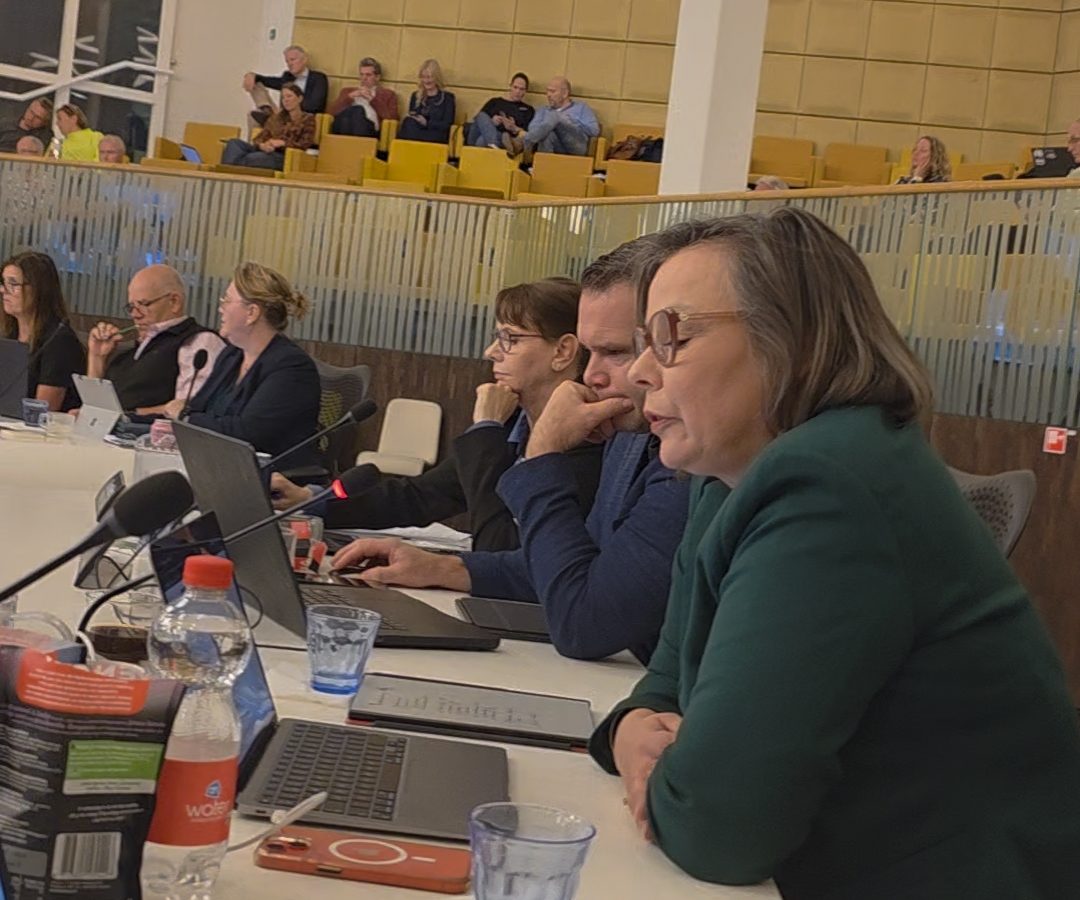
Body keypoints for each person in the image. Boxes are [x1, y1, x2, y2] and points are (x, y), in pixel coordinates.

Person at [588, 208, 1080, 899]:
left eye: (673, 336)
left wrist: (674, 778)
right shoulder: (726, 480)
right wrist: (631, 731)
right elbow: (666, 681)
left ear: (789, 339)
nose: (641, 371)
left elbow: (719, 828)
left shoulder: (827, 485)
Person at [332, 237, 691, 663]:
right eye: (592, 352)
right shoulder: (629, 437)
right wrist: (440, 567)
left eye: (614, 352)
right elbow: (572, 566)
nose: (592, 375)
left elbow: (585, 621)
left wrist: (539, 453)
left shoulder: (645, 450)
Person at [272, 277, 604, 552]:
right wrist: (311, 501)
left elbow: (498, 546)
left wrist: (486, 429)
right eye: (496, 337)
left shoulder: (588, 443)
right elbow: (419, 497)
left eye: (510, 339)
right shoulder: (513, 426)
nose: (491, 352)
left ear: (562, 351)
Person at [165, 262, 320, 467]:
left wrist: (186, 418)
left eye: (227, 300)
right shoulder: (232, 355)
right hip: (218, 464)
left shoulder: (292, 368)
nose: (220, 309)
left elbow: (249, 433)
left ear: (252, 313)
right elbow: (198, 408)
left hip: (270, 477)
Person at [86, 264, 225, 416]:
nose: (135, 315)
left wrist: (127, 415)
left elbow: (187, 409)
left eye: (144, 304)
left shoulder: (198, 342)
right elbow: (95, 407)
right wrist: (97, 357)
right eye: (131, 307)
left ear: (174, 302)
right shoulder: (133, 352)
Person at [0, 251, 85, 411]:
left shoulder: (59, 340)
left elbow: (42, 410)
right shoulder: (9, 335)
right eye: (3, 283)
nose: (3, 290)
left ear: (38, 289)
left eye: (13, 284)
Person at [221, 83, 315, 171]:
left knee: (252, 158)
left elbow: (304, 144)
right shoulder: (276, 118)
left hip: (283, 156)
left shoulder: (308, 119)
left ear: (300, 98)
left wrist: (283, 143)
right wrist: (262, 145)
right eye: (283, 97)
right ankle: (232, 169)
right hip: (265, 151)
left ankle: (230, 170)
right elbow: (259, 138)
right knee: (234, 143)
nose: (286, 100)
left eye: (289, 96)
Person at [504, 76, 598, 161]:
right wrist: (549, 127)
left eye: (552, 91)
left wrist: (568, 122)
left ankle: (522, 143)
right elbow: (533, 129)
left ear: (565, 94)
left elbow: (594, 130)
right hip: (556, 145)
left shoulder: (581, 107)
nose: (548, 95)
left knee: (555, 116)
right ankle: (543, 169)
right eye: (547, 91)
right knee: (548, 135)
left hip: (576, 145)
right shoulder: (543, 110)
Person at [243, 44, 328, 126]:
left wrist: (293, 105)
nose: (289, 64)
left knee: (254, 116)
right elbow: (269, 81)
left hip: (302, 117)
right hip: (283, 114)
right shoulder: (287, 77)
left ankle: (271, 119)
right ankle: (266, 110)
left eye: (293, 60)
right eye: (287, 61)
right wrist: (253, 75)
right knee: (256, 85)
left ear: (304, 60)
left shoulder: (318, 78)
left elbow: (316, 105)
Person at [328, 57, 399, 139]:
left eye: (368, 75)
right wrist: (350, 97)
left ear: (377, 77)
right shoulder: (347, 91)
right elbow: (330, 112)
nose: (364, 78)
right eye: (361, 74)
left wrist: (373, 100)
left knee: (358, 110)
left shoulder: (388, 94)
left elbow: (392, 119)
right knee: (352, 113)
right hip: (343, 125)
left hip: (368, 129)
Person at [466, 73, 534, 148]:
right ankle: (493, 144)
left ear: (525, 91)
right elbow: (479, 122)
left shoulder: (528, 110)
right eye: (515, 87)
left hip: (506, 138)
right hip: (484, 134)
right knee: (481, 115)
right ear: (510, 87)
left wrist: (514, 128)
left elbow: (529, 135)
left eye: (521, 89)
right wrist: (491, 122)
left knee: (481, 141)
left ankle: (493, 144)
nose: (517, 91)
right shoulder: (495, 102)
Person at [396, 59, 455, 144]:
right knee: (408, 122)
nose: (426, 81)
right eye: (423, 77)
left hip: (435, 134)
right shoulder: (416, 95)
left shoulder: (447, 98)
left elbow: (447, 124)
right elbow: (413, 117)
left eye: (429, 77)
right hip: (416, 131)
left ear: (436, 78)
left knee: (408, 133)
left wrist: (427, 123)